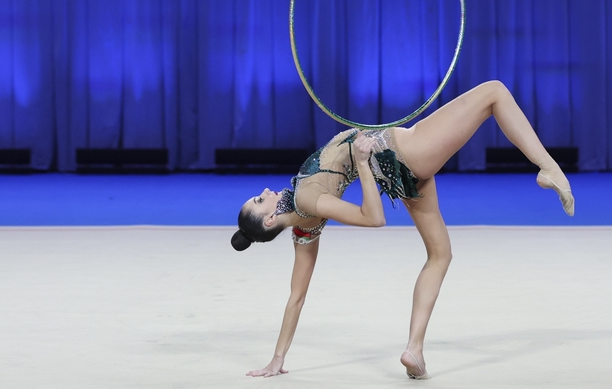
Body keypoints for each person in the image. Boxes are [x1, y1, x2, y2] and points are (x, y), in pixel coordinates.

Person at [232, 80, 574, 379]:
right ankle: (548, 167)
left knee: (440, 255)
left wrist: (277, 360)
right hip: (403, 152)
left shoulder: (303, 232)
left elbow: (296, 299)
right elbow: (373, 218)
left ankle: (415, 351)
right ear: (269, 220)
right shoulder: (307, 200)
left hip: (402, 172)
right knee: (494, 92)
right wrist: (363, 165)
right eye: (259, 201)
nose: (264, 192)